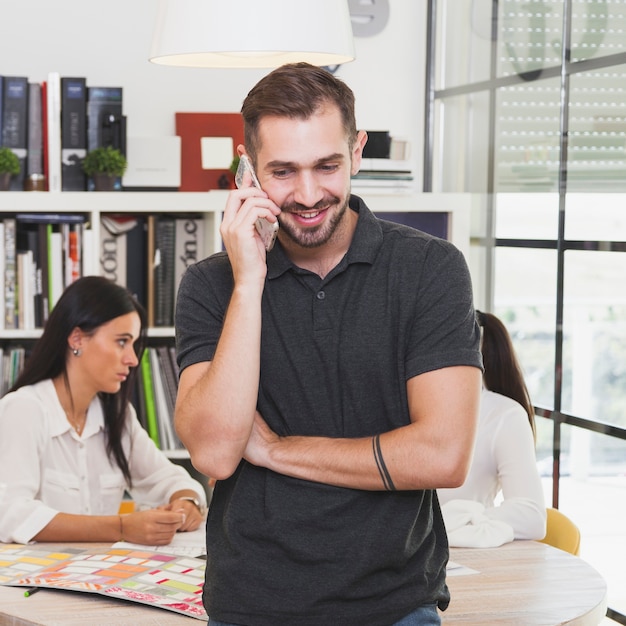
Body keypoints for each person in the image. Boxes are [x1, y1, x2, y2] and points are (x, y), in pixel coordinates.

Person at [175, 62, 483, 626]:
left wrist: (274, 451)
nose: (310, 194)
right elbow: (216, 453)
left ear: (357, 150)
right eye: (284, 172)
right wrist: (248, 282)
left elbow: (442, 454)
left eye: (327, 165)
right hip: (251, 605)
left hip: (394, 607)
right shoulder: (212, 285)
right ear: (247, 171)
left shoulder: (430, 269)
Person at [0, 275, 207, 546]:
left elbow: (167, 478)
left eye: (133, 344)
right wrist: (121, 527)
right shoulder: (24, 409)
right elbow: (10, 515)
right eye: (122, 341)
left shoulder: (118, 418)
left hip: (97, 579)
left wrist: (186, 502)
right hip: (31, 585)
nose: (132, 359)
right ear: (77, 339)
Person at [438, 311, 546, 547]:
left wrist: (451, 522)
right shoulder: (402, 404)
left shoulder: (504, 414)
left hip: (463, 558)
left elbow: (532, 516)